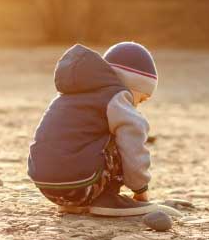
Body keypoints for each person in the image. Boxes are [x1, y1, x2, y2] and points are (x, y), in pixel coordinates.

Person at [27, 42, 158, 216]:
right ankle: (108, 199)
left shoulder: (67, 96)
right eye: (141, 99)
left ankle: (74, 203)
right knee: (125, 133)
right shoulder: (116, 97)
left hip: (48, 186)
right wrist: (140, 190)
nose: (137, 106)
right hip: (84, 183)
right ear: (128, 84)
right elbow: (133, 147)